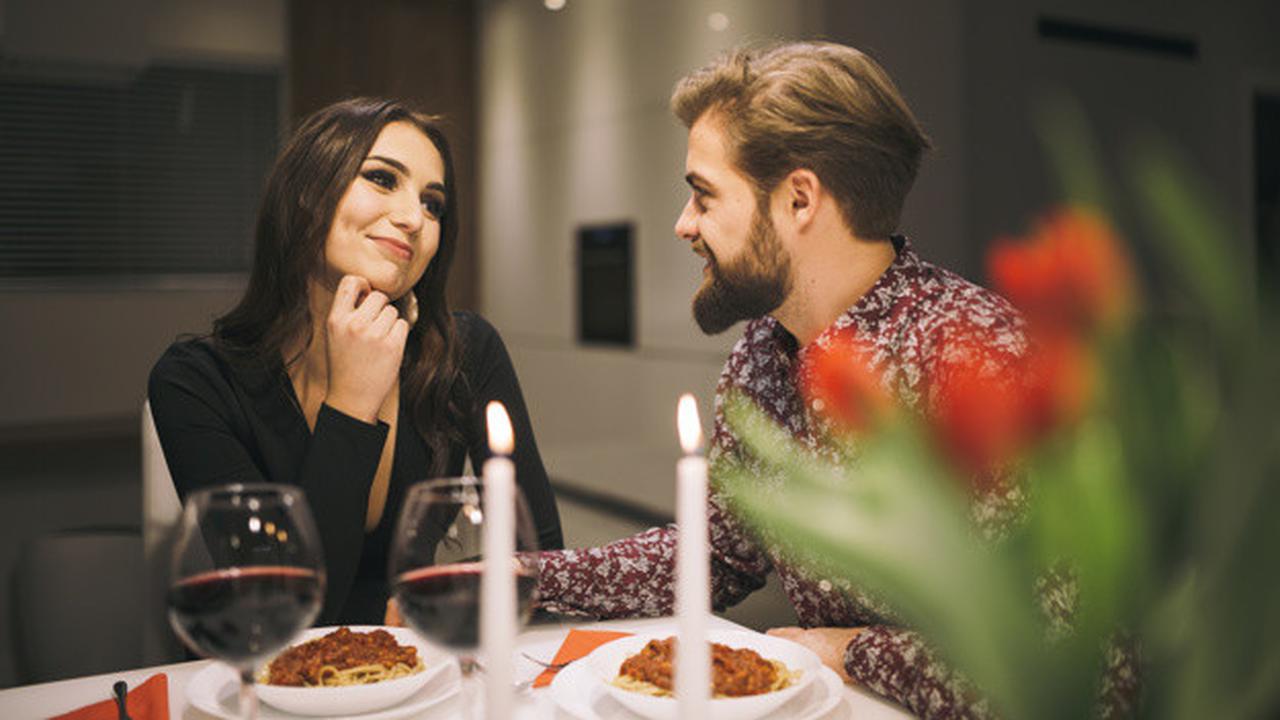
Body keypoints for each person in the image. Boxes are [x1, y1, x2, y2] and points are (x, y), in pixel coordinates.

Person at [532, 42, 1137, 718]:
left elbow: (1077, 667)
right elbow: (719, 554)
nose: (684, 225)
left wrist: (851, 651)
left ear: (798, 200)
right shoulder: (760, 357)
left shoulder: (977, 357)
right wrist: (523, 581)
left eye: (702, 195)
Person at [149, 98, 564, 625]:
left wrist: (437, 603)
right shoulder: (194, 381)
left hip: (421, 672)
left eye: (433, 204)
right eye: (383, 179)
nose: (414, 218)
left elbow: (544, 557)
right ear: (305, 192)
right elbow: (279, 613)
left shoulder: (465, 350)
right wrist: (351, 404)